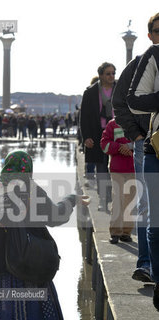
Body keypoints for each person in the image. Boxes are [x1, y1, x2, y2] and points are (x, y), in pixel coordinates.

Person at [0, 150, 89, 319]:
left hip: (2, 266)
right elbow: (56, 216)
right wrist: (71, 199)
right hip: (31, 265)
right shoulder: (31, 189)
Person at [112, 12, 159, 283]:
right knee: (148, 205)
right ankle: (147, 264)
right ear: (150, 35)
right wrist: (136, 136)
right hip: (148, 142)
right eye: (157, 30)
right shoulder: (139, 63)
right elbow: (121, 102)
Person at [126, 43, 159, 311]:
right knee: (154, 217)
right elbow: (130, 100)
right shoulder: (152, 56)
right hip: (155, 147)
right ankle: (152, 272)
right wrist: (136, 135)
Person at [80, 62, 116, 211]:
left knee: (117, 169)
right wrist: (86, 137)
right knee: (101, 168)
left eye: (113, 73)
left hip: (117, 133)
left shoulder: (120, 89)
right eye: (108, 73)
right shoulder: (90, 92)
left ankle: (117, 200)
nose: (111, 76)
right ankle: (103, 201)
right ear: (101, 75)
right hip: (97, 133)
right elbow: (84, 117)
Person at [100, 119, 136, 244]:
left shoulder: (136, 121)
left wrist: (129, 147)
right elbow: (104, 144)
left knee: (130, 201)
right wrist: (120, 147)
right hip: (117, 170)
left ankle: (126, 232)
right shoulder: (112, 124)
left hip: (133, 169)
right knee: (118, 199)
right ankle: (115, 232)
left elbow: (142, 141)